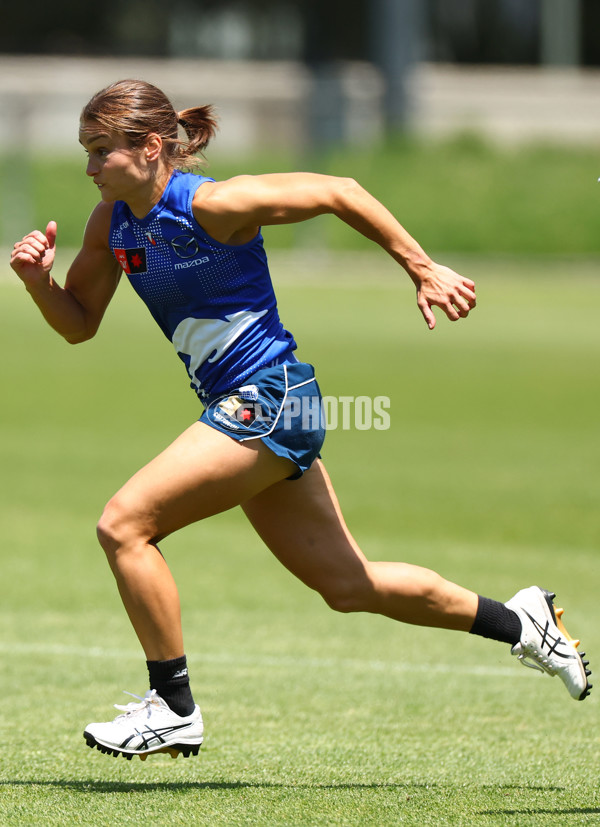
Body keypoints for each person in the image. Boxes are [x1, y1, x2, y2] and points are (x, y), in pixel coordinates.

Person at [10, 79, 591, 761]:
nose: (89, 166)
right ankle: (521, 622)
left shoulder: (214, 204)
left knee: (123, 524)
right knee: (349, 585)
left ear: (152, 146)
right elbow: (79, 323)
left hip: (270, 397)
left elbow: (340, 190)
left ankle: (172, 707)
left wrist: (422, 267)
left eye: (101, 150)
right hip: (255, 406)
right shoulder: (112, 224)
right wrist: (38, 283)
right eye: (86, 150)